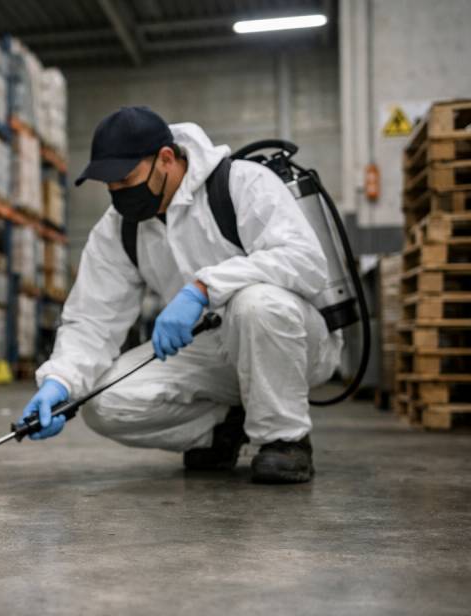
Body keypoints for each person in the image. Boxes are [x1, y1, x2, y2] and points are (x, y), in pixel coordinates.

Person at [21, 106, 341, 484]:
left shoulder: (243, 183)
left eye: (125, 180)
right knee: (103, 403)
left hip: (292, 342)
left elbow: (306, 262)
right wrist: (60, 381)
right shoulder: (119, 229)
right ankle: (225, 429)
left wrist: (203, 289)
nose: (118, 195)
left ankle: (285, 440)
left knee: (255, 304)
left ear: (166, 159)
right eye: (109, 186)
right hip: (211, 352)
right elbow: (92, 319)